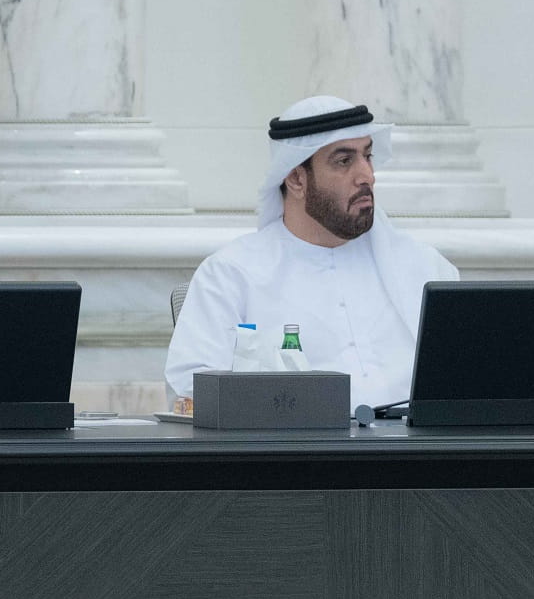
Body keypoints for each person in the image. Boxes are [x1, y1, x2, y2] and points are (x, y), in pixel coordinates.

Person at [164, 95, 458, 410]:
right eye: (344, 161)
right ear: (296, 179)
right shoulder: (231, 275)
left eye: (367, 156)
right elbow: (191, 391)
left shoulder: (426, 268)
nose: (367, 176)